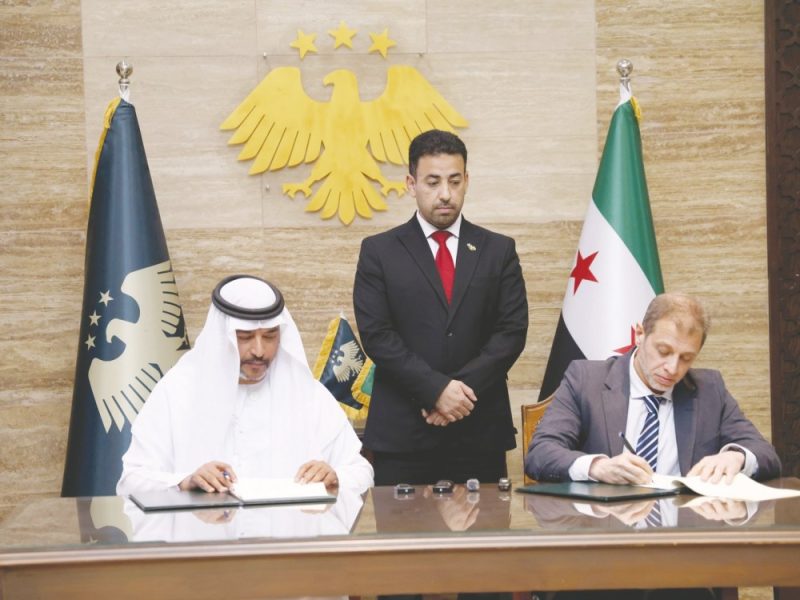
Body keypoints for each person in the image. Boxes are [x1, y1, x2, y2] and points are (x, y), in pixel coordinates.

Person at [353, 129, 529, 485]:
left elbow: (511, 332)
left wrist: (457, 395)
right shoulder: (379, 251)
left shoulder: (498, 250)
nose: (445, 194)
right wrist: (435, 391)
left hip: (479, 432)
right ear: (411, 184)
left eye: (454, 181)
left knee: (485, 523)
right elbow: (377, 336)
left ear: (467, 181)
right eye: (433, 182)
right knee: (402, 524)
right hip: (403, 435)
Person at [117, 275, 374, 496]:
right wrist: (185, 481)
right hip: (205, 536)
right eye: (245, 337)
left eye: (270, 336)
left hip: (289, 536)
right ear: (222, 337)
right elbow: (131, 480)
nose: (259, 350)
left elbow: (362, 472)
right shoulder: (177, 392)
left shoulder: (309, 394)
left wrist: (335, 476)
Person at [526, 292, 781, 486]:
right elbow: (540, 453)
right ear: (640, 334)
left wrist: (736, 457)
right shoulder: (586, 380)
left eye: (686, 358)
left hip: (685, 529)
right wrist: (597, 466)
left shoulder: (709, 389)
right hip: (606, 529)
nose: (672, 368)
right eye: (664, 351)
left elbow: (766, 454)